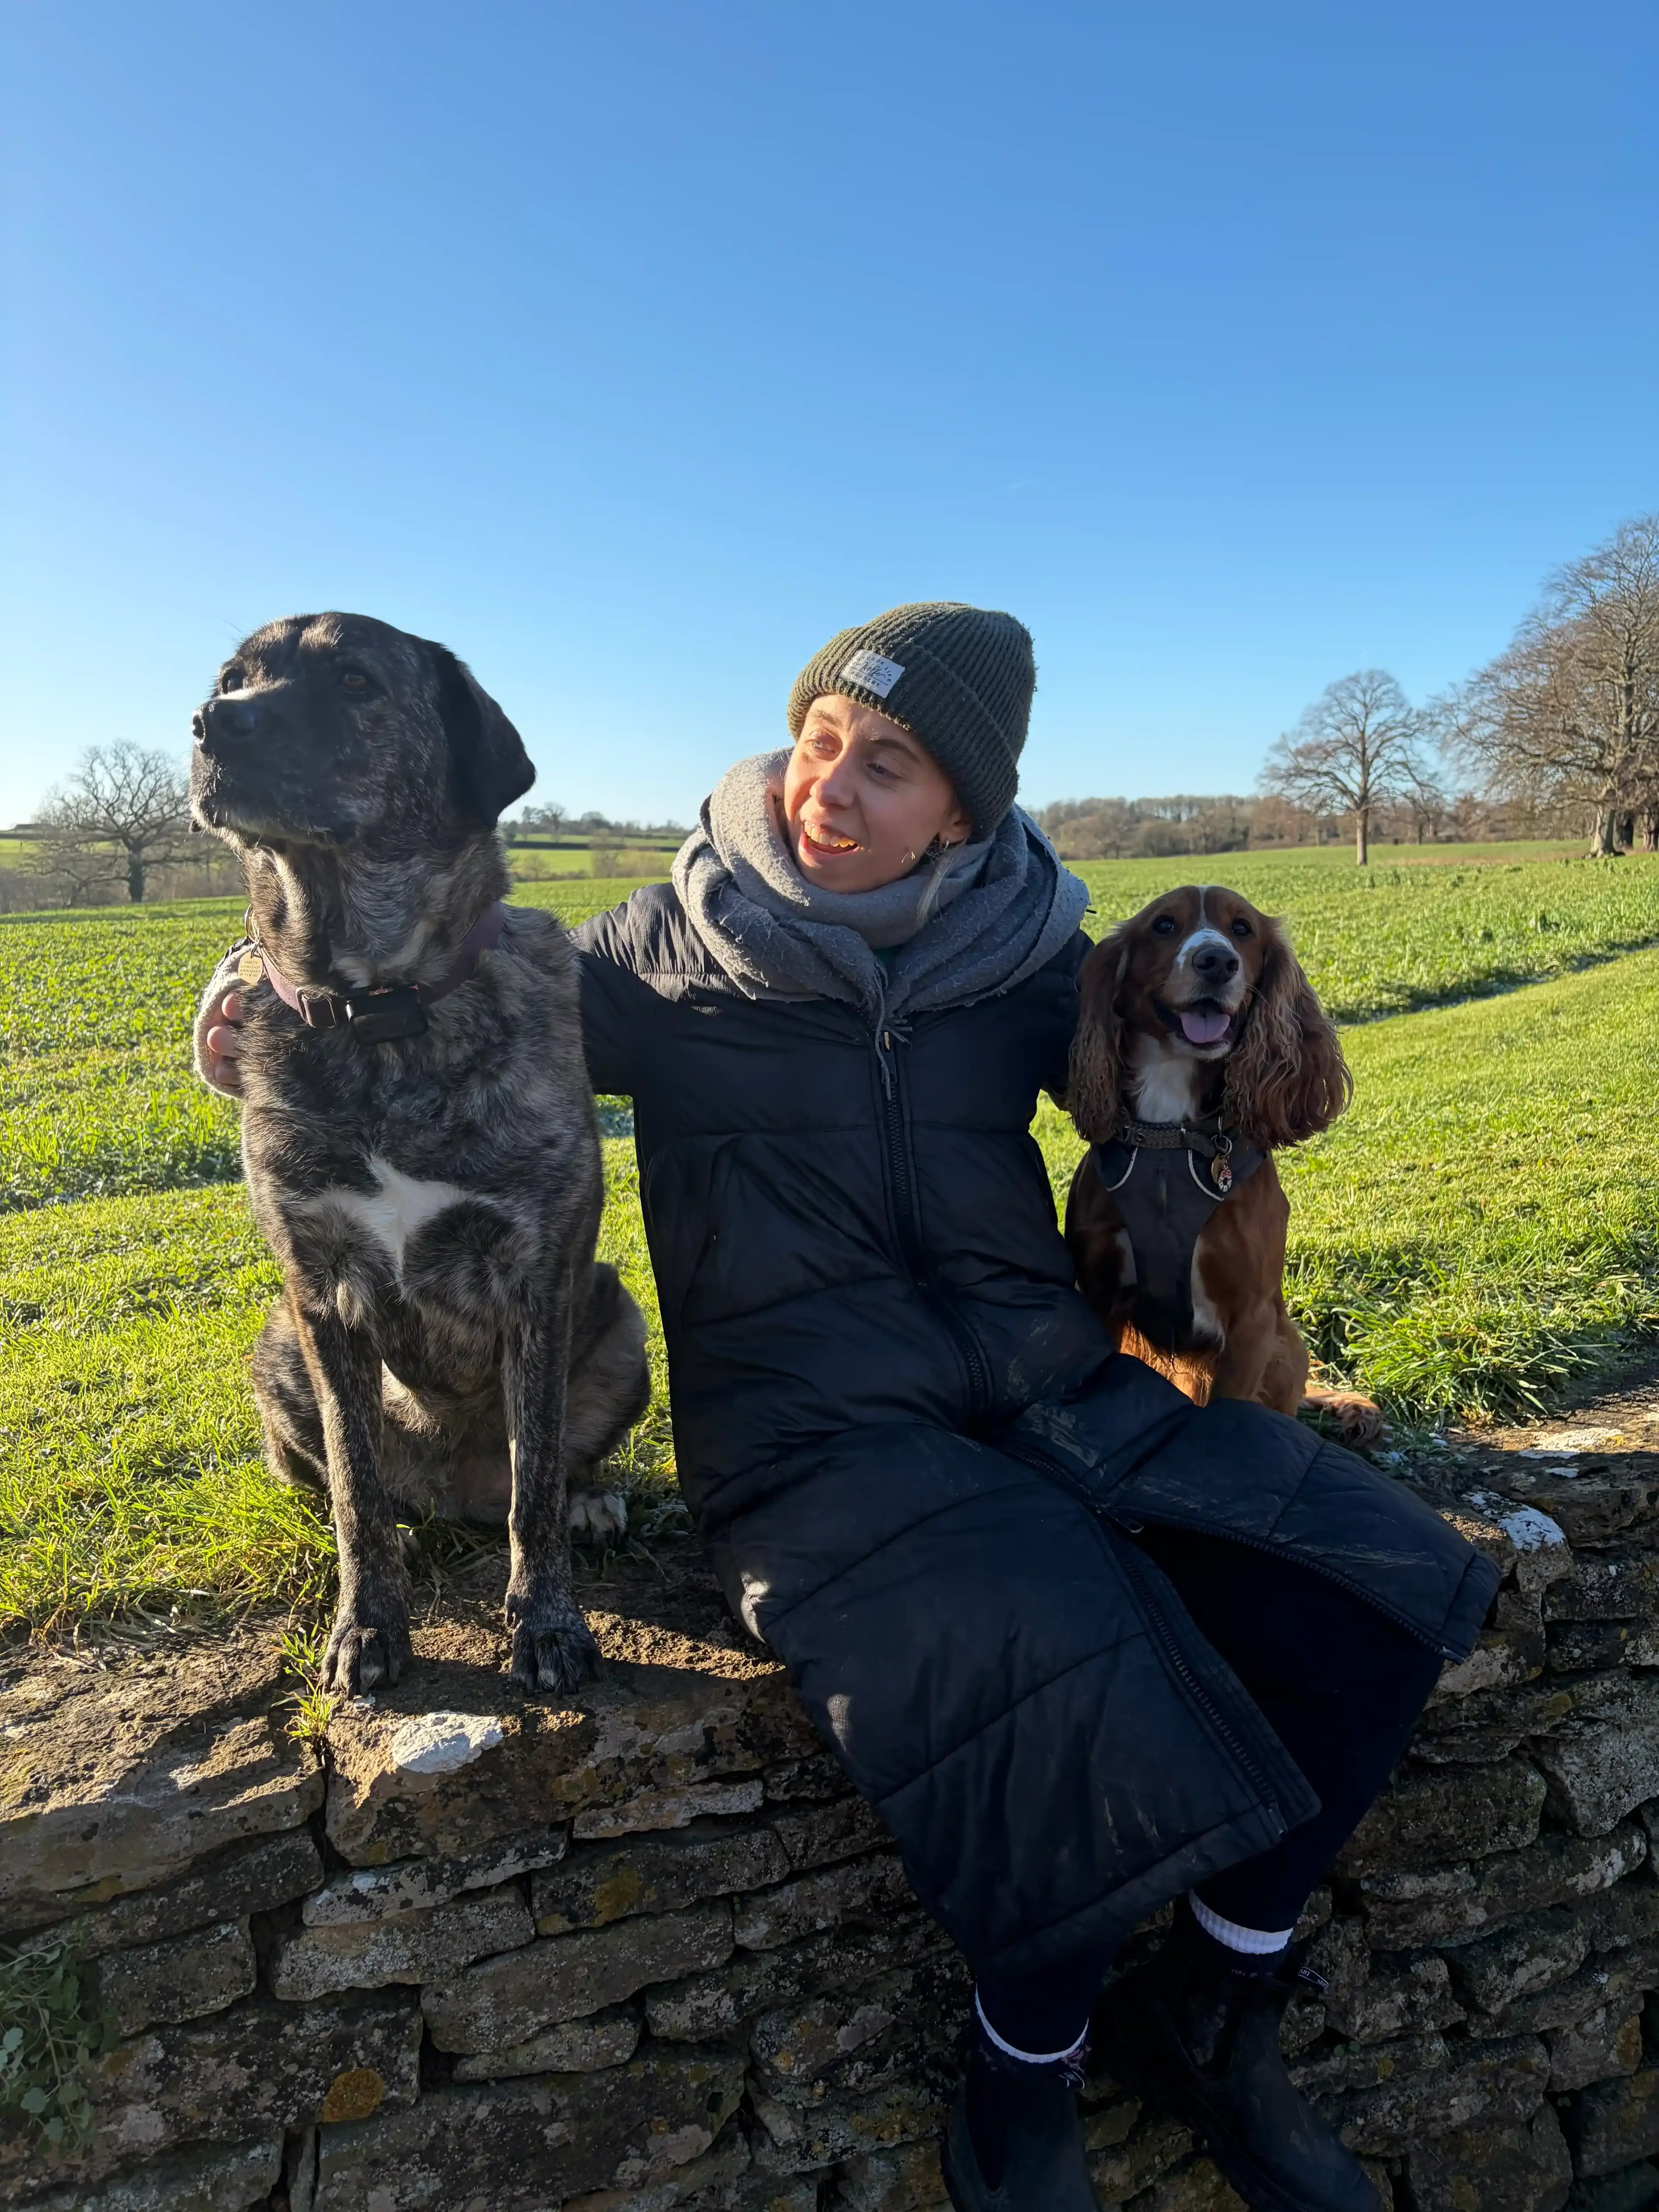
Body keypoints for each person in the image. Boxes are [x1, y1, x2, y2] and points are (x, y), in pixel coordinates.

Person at [197, 602, 1497, 2212]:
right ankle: (1025, 2082)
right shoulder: (650, 960)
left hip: (1055, 1390)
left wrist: (1240, 1235)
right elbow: (423, 963)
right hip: (814, 1441)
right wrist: (251, 972)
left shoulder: (1037, 962)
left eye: (889, 766)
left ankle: (1224, 2009)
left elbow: (1206, 1062)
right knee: (1032, 1644)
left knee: (1373, 1580)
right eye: (821, 741)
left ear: (967, 805)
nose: (834, 786)